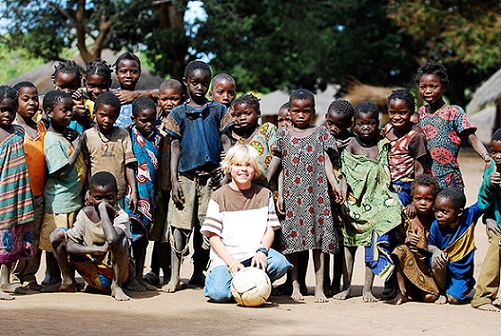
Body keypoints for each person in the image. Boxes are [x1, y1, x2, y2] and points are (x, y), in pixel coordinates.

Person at [161, 60, 233, 292]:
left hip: (212, 178)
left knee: (208, 227)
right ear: (186, 83)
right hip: (185, 178)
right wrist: (173, 180)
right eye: (195, 83)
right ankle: (174, 276)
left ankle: (199, 273)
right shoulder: (178, 113)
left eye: (204, 83)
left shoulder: (219, 110)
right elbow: (175, 148)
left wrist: (226, 172)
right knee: (179, 227)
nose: (200, 87)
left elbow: (226, 141)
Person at [266, 89, 341, 302]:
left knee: (318, 244)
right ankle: (296, 286)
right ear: (289, 112)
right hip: (291, 197)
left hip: (317, 197)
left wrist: (334, 184)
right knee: (294, 244)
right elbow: (278, 165)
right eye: (296, 111)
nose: (301, 115)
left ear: (313, 112)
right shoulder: (282, 134)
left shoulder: (321, 134)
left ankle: (319, 288)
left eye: (306, 111)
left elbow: (327, 161)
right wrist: (274, 190)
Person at [201, 144, 291, 302]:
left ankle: (253, 285)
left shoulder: (265, 195)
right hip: (227, 259)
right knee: (219, 294)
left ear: (255, 169)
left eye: (248, 165)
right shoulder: (218, 196)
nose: (243, 169)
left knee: (279, 263)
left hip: (254, 255)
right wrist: (231, 262)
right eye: (238, 165)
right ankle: (227, 283)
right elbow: (213, 237)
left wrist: (262, 251)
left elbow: (270, 229)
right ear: (229, 168)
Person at [334, 101, 402, 302]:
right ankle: (346, 287)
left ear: (378, 124)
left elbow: (384, 175)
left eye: (371, 123)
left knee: (372, 246)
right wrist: (343, 200)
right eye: (361, 123)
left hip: (375, 203)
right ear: (354, 124)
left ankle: (367, 289)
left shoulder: (382, 146)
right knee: (349, 246)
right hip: (352, 204)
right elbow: (344, 175)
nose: (366, 128)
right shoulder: (349, 145)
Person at [48, 172, 132, 301]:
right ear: (90, 196)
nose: (103, 202)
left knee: (121, 241)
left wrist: (103, 210)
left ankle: (117, 286)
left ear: (117, 195)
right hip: (92, 273)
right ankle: (68, 281)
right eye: (98, 198)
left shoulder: (121, 216)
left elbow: (111, 238)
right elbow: (69, 245)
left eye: (109, 197)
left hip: (115, 274)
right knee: (57, 235)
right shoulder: (85, 214)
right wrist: (96, 250)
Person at [416, 60, 490, 189]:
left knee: (451, 209)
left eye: (433, 86)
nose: (427, 91)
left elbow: (472, 139)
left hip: (450, 179)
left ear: (444, 86)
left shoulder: (454, 112)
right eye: (423, 87)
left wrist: (487, 157)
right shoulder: (420, 113)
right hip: (426, 181)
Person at [39, 90, 86, 287]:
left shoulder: (65, 134)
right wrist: (77, 148)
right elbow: (61, 171)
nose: (69, 114)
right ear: (49, 112)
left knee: (69, 238)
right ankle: (52, 276)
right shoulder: (51, 140)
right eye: (64, 110)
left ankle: (66, 276)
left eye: (71, 110)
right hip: (59, 200)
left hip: (72, 199)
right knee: (55, 241)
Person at [143, 79, 186, 287]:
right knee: (159, 232)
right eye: (164, 99)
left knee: (175, 230)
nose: (169, 103)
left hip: (179, 184)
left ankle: (172, 273)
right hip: (159, 186)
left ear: (182, 99)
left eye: (174, 98)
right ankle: (160, 271)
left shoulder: (185, 120)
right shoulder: (154, 123)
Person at [124, 96, 164, 291]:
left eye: (152, 119)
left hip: (149, 194)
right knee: (130, 237)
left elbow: (159, 168)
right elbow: (128, 166)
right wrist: (132, 193)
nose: (149, 124)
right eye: (143, 120)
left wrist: (156, 192)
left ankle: (139, 276)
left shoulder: (158, 138)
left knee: (143, 239)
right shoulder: (128, 136)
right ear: (133, 119)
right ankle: (129, 277)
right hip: (132, 196)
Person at [0, 86, 35, 300]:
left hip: (18, 195)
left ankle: (4, 281)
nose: (6, 114)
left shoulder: (19, 132)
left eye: (11, 110)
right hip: (2, 194)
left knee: (12, 239)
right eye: (2, 109)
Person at [11, 82, 46, 290]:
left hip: (39, 192)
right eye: (26, 99)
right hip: (19, 194)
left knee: (35, 236)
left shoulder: (41, 127)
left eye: (35, 98)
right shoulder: (12, 130)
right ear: (15, 101)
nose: (32, 103)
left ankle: (30, 274)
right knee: (18, 234)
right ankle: (13, 274)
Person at [391, 174, 441, 305]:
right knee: (400, 250)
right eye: (418, 199)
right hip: (408, 267)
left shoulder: (437, 220)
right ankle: (401, 292)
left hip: (428, 269)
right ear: (413, 198)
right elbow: (395, 240)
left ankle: (431, 290)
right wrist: (406, 240)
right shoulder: (407, 217)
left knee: (430, 297)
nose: (423, 203)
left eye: (428, 199)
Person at [82, 92, 137, 209]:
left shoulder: (123, 134)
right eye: (102, 115)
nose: (107, 120)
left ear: (117, 116)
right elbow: (86, 167)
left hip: (118, 196)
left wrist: (133, 191)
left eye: (111, 116)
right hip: (95, 196)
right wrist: (87, 190)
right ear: (94, 113)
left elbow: (129, 165)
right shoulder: (88, 135)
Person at [428, 187, 482, 304]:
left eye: (444, 212)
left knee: (454, 299)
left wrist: (489, 180)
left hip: (460, 274)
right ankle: (442, 292)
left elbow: (484, 200)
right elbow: (430, 245)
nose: (439, 215)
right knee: (436, 260)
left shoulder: (469, 217)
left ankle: (466, 284)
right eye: (436, 210)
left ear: (459, 212)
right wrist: (436, 251)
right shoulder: (435, 225)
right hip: (442, 269)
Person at [323, 99, 354, 296]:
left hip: (344, 196)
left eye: (339, 125)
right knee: (326, 241)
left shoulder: (352, 141)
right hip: (323, 195)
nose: (333, 128)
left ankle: (337, 280)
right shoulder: (320, 137)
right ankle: (324, 281)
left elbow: (350, 171)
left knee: (342, 242)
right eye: (330, 123)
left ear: (349, 124)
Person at [471, 128, 501, 311]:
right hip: (496, 222)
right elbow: (482, 201)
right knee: (496, 248)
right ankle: (483, 297)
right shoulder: (491, 168)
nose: (497, 156)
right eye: (494, 151)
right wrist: (489, 184)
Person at [382, 89, 427, 206]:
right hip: (383, 184)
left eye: (402, 113)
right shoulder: (387, 129)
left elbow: (419, 170)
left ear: (411, 111)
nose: (396, 117)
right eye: (392, 112)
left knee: (390, 207)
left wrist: (414, 201)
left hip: (403, 187)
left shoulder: (416, 136)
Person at [229, 94, 277, 185]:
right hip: (247, 190)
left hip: (268, 186)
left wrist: (267, 180)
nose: (242, 118)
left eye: (247, 113)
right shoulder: (238, 141)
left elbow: (277, 157)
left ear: (258, 114)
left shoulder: (267, 130)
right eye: (238, 115)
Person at [51, 60, 92, 132]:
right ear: (55, 84)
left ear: (79, 83)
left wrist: (83, 115)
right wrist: (72, 112)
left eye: (72, 87)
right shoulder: (50, 106)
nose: (67, 91)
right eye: (62, 87)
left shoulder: (88, 105)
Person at [113, 52, 141, 128]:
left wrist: (136, 94)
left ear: (139, 73)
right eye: (123, 71)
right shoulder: (111, 95)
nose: (128, 75)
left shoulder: (144, 99)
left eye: (133, 71)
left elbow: (160, 93)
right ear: (116, 74)